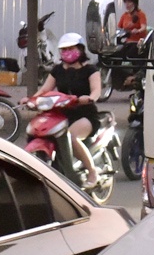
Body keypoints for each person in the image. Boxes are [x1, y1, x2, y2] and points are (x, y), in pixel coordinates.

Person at [32, 31, 105, 185]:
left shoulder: (90, 70)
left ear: (80, 49)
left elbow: (96, 90)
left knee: (70, 137)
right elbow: (45, 90)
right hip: (61, 114)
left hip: (85, 114)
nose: (67, 53)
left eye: (71, 49)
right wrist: (32, 99)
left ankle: (92, 172)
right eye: (64, 50)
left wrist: (90, 98)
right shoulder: (58, 70)